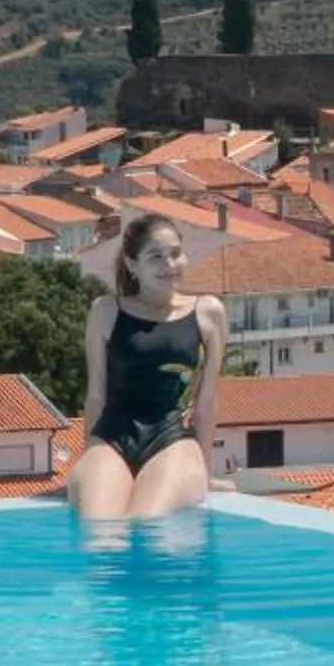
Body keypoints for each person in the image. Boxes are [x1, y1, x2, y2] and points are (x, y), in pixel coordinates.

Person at [70, 213, 227, 525]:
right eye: (156, 257)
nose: (170, 265)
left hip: (171, 439)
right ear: (132, 265)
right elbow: (96, 396)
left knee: (146, 526)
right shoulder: (105, 311)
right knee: (102, 532)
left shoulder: (208, 312)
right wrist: (91, 459)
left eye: (175, 254)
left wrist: (205, 473)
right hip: (112, 436)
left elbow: (206, 402)